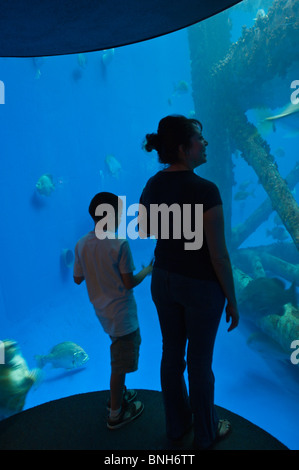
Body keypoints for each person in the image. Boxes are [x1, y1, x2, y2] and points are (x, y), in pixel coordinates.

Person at [139, 115, 239, 449]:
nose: (205, 142)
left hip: (164, 280)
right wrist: (233, 300)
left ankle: (177, 426)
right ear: (183, 148)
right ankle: (206, 433)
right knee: (199, 364)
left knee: (171, 355)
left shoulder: (153, 184)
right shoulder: (205, 190)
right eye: (200, 137)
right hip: (200, 287)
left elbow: (145, 230)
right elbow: (219, 255)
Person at [73, 192, 153, 429]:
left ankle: (120, 394)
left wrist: (95, 268)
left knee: (118, 354)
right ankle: (116, 413)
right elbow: (129, 282)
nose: (120, 217)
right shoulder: (119, 244)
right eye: (118, 212)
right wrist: (148, 270)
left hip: (102, 313)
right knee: (119, 365)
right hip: (122, 314)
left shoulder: (81, 244)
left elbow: (78, 278)